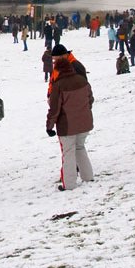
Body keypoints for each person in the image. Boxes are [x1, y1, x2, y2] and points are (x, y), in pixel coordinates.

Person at [46, 56, 94, 190]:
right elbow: (90, 99)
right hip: (85, 123)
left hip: (67, 126)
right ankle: (88, 176)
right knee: (80, 148)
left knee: (68, 153)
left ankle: (70, 184)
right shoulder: (82, 80)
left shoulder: (59, 85)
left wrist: (49, 126)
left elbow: (54, 109)